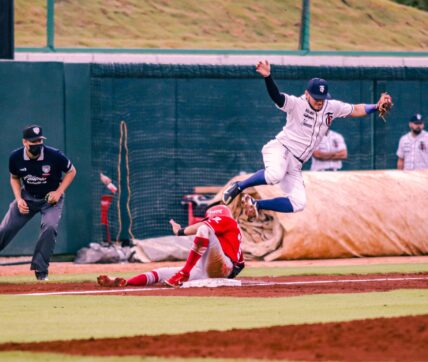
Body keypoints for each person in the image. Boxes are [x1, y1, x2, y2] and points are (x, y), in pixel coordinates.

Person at [222, 60, 392, 219]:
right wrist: (267, 77)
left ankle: (256, 205)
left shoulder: (331, 106)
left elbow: (355, 109)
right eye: (316, 98)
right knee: (275, 175)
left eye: (322, 98)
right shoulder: (297, 104)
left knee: (299, 203)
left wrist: (376, 107)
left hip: (296, 163)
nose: (320, 101)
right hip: (281, 149)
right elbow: (277, 97)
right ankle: (239, 186)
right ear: (307, 93)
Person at [97, 205, 245, 288]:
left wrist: (180, 231)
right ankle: (126, 282)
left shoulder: (228, 221)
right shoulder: (229, 234)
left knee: (204, 229)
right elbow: (241, 264)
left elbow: (203, 226)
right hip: (208, 269)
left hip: (223, 265)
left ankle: (184, 273)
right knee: (160, 273)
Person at [0, 125, 76, 280]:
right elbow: (14, 177)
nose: (37, 144)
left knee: (49, 227)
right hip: (27, 197)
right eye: (33, 142)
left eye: (40, 141)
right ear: (24, 142)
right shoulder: (15, 157)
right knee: (5, 228)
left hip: (51, 199)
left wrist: (58, 192)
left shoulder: (54, 155)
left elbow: (71, 171)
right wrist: (19, 199)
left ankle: (41, 271)